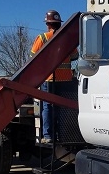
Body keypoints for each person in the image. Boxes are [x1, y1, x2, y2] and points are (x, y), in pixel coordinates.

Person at [30, 10, 77, 144]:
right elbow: (75, 56)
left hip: (49, 79)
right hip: (66, 79)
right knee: (62, 107)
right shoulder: (67, 39)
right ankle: (62, 134)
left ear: (48, 24)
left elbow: (32, 57)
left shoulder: (43, 38)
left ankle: (48, 135)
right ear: (58, 23)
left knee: (48, 107)